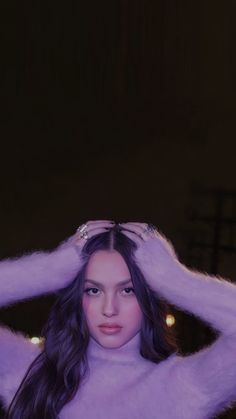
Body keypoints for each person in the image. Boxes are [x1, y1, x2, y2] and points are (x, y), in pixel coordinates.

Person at [0, 220, 236, 418]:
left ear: (148, 296)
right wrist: (51, 268)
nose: (109, 309)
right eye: (93, 290)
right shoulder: (33, 373)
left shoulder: (179, 389)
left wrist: (174, 279)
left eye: (127, 290)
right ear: (77, 297)